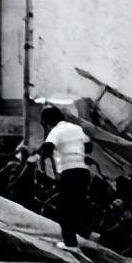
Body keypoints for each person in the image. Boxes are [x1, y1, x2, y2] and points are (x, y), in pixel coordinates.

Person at [37, 105, 93, 249]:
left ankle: (70, 243)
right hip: (83, 172)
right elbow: (89, 147)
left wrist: (38, 155)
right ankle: (88, 236)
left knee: (65, 209)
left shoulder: (56, 131)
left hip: (69, 172)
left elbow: (46, 149)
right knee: (80, 205)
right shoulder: (77, 128)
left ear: (49, 122)